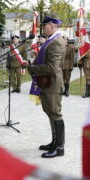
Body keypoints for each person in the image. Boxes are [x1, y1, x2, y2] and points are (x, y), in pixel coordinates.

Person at [27, 16, 66, 158]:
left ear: (51, 25)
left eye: (44, 25)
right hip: (48, 82)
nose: (42, 28)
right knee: (50, 113)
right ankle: (54, 142)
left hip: (52, 83)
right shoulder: (51, 41)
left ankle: (60, 148)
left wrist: (33, 68)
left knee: (55, 114)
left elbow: (52, 67)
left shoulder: (56, 42)